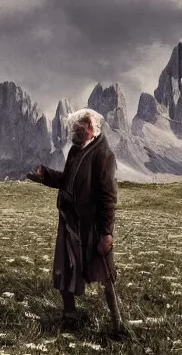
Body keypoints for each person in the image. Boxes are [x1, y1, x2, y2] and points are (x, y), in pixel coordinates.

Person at [27, 108, 124, 337]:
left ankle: (117, 325)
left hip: (90, 225)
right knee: (63, 269)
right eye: (75, 126)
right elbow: (66, 180)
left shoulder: (104, 155)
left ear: (92, 129)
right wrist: (46, 175)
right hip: (69, 222)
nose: (75, 130)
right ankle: (69, 316)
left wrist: (106, 232)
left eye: (81, 127)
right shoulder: (74, 151)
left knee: (105, 273)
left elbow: (108, 195)